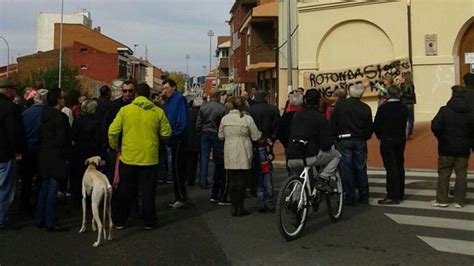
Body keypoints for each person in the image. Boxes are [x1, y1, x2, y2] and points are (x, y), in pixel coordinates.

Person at [109, 83, 171, 229]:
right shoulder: (158, 111)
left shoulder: (125, 110)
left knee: (125, 190)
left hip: (129, 157)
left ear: (135, 94)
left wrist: (115, 146)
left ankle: (120, 221)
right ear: (149, 95)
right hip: (149, 158)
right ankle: (149, 221)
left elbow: (112, 131)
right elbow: (166, 133)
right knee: (148, 192)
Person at [286, 89, 341, 190]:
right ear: (319, 101)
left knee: (300, 180)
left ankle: (296, 201)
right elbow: (325, 144)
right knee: (337, 155)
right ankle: (323, 178)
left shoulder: (297, 115)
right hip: (309, 156)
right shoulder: (320, 117)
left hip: (292, 155)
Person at [431, 85, 474, 208]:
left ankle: (442, 200)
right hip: (464, 148)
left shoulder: (444, 110)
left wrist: (441, 137)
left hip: (446, 147)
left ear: (452, 94)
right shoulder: (470, 112)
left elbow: (435, 126)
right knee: (461, 174)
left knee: (444, 173)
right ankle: (459, 201)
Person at [330, 83, 373, 205]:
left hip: (344, 139)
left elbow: (333, 122)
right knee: (361, 167)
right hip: (359, 139)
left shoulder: (341, 105)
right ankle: (364, 195)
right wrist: (365, 136)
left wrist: (334, 138)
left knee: (347, 168)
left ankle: (350, 195)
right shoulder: (365, 107)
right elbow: (369, 127)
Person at [219, 96, 261, 217]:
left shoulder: (225, 119)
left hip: (230, 149)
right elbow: (255, 136)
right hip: (243, 148)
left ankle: (233, 206)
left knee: (232, 178)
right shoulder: (247, 119)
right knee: (242, 179)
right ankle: (240, 207)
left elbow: (220, 135)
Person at [36, 87, 71, 231]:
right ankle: (50, 221)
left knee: (44, 187)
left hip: (44, 154)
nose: (63, 99)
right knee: (52, 189)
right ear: (58, 99)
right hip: (57, 156)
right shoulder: (60, 118)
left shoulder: (44, 115)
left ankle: (40, 218)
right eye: (62, 97)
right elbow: (63, 139)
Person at [374, 85, 408, 205]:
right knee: (399, 164)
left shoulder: (384, 108)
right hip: (400, 138)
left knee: (391, 167)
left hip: (387, 138)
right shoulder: (404, 107)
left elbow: (377, 124)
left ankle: (393, 195)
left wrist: (380, 136)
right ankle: (400, 192)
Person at [0, 78, 26, 228]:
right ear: (8, 90)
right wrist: (18, 150)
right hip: (5, 153)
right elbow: (14, 132)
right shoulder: (9, 108)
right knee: (5, 188)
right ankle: (1, 218)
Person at [18, 89, 48, 216]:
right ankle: (39, 207)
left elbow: (21, 132)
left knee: (26, 181)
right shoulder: (47, 114)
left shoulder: (26, 114)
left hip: (27, 150)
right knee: (41, 180)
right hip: (41, 150)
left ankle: (24, 206)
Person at [249, 90, 280, 211]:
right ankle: (268, 199)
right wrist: (271, 139)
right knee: (267, 171)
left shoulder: (250, 111)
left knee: (257, 172)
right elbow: (278, 126)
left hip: (255, 143)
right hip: (267, 142)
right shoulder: (273, 109)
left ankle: (260, 200)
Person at [196, 89, 227, 203]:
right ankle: (215, 180)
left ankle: (203, 181)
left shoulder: (203, 107)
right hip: (217, 133)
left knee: (204, 157)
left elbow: (198, 122)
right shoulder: (223, 108)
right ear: (218, 96)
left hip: (205, 133)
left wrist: (200, 131)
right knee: (217, 159)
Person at [102, 81, 136, 184]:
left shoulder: (137, 106)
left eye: (130, 91)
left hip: (132, 146)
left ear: (134, 92)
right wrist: (110, 145)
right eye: (125, 91)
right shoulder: (114, 106)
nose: (127, 93)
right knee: (114, 175)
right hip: (116, 147)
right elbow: (107, 125)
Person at [162, 78, 189, 209]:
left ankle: (181, 197)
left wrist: (174, 134)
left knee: (177, 169)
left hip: (178, 139)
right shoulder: (169, 100)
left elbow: (182, 121)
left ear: (173, 87)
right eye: (163, 88)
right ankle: (178, 196)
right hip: (172, 138)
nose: (164, 91)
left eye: (166, 88)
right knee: (174, 168)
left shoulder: (179, 99)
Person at [70, 99, 102, 206]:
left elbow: (73, 135)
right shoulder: (96, 122)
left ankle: (78, 198)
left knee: (78, 176)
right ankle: (90, 199)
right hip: (92, 151)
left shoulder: (78, 121)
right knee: (91, 177)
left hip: (78, 151)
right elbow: (98, 138)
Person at [276, 91, 304, 176]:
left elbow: (280, 132)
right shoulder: (305, 115)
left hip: (289, 146)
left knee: (291, 169)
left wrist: (286, 144)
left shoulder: (285, 117)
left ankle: (292, 186)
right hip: (303, 146)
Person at [184, 97, 203, 186]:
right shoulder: (201, 114)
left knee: (187, 160)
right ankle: (195, 179)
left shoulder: (187, 112)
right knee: (195, 160)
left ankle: (187, 178)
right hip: (198, 139)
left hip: (187, 139)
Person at [400, 73, 417, 139]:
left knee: (410, 120)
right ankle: (406, 134)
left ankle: (408, 134)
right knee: (405, 119)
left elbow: (411, 95)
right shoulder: (401, 85)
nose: (401, 79)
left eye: (402, 77)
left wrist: (403, 94)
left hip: (408, 104)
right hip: (404, 104)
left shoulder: (410, 85)